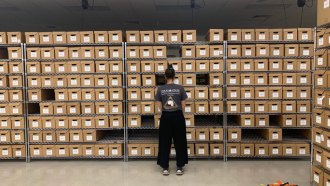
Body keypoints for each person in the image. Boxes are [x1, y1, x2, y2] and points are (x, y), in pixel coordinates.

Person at [155, 64, 188, 176]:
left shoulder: (160, 89)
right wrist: (178, 112)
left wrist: (167, 109)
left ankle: (165, 167)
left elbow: (159, 106)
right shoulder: (180, 88)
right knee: (180, 141)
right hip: (178, 116)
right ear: (174, 76)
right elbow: (183, 105)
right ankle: (179, 167)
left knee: (164, 141)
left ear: (165, 76)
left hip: (166, 117)